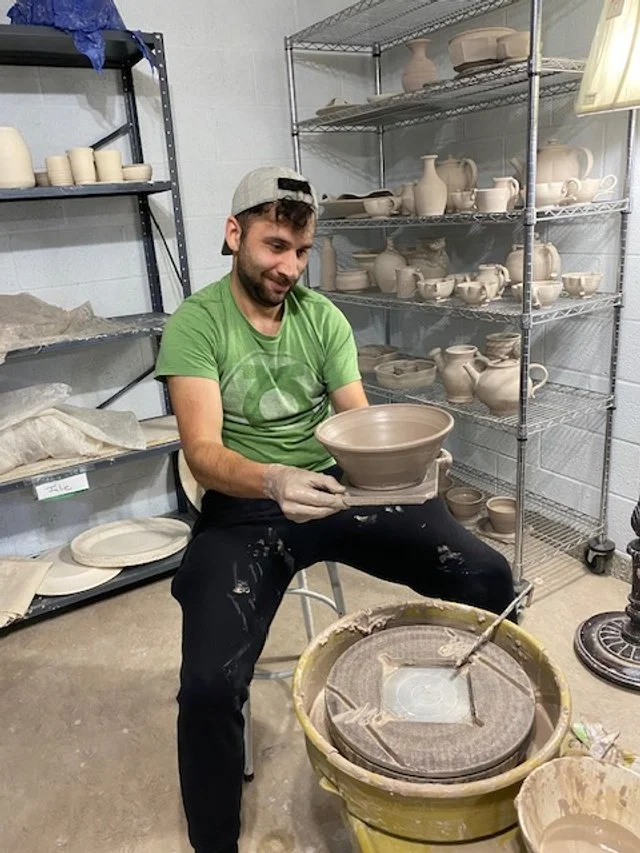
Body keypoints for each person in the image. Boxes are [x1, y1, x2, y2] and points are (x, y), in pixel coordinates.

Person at [154, 165, 515, 853]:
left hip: (335, 489)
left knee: (486, 574)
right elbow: (202, 452)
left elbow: (358, 424)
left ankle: (487, 748)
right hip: (245, 503)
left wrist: (410, 465)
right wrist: (271, 480)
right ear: (234, 235)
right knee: (206, 683)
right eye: (273, 246)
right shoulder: (197, 323)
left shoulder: (321, 318)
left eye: (300, 249)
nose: (289, 266)